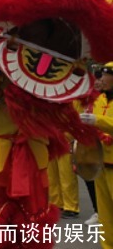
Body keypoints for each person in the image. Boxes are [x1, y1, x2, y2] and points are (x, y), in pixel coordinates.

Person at [79, 62, 113, 248]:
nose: (100, 80)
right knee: (105, 216)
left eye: (105, 76)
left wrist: (97, 120)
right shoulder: (99, 100)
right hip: (100, 164)